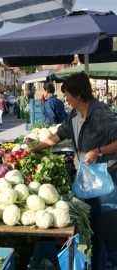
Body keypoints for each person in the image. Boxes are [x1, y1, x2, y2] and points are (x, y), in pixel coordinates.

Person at [27, 72, 117, 270]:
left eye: (67, 95)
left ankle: (111, 261)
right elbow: (58, 136)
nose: (65, 99)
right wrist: (33, 149)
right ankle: (95, 263)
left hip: (106, 179)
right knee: (90, 227)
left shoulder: (100, 114)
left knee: (108, 228)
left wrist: (98, 151)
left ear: (78, 95)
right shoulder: (74, 115)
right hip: (87, 181)